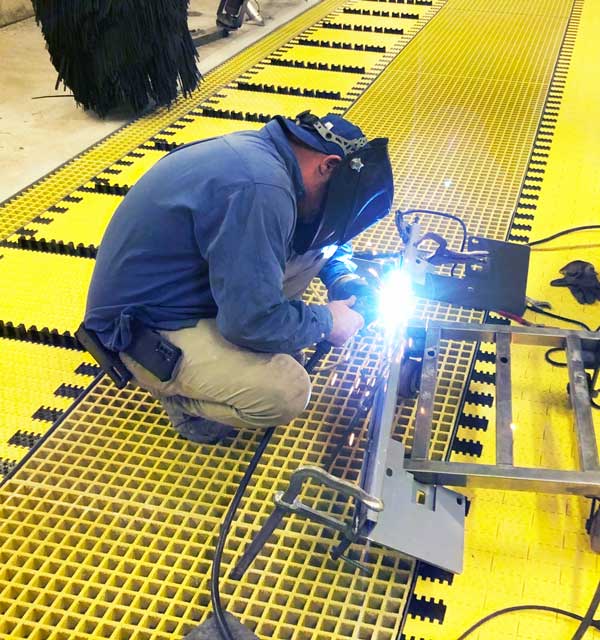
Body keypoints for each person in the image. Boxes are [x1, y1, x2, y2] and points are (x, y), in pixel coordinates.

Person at [83, 110, 393, 443]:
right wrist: (327, 322)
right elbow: (251, 322)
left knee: (295, 303)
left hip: (181, 287)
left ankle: (220, 360)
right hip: (142, 329)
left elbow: (319, 242)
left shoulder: (271, 158)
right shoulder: (261, 189)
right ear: (329, 165)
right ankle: (182, 403)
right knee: (286, 390)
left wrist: (341, 276)